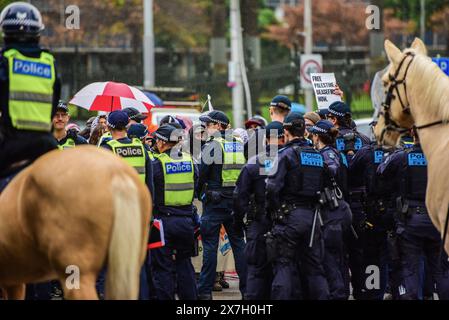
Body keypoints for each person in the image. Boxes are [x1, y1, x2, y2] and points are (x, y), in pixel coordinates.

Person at [377, 128, 449, 300]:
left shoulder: (401, 156)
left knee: (410, 268)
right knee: (441, 270)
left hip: (411, 221)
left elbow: (381, 171)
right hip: (437, 220)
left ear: (412, 133)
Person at [265, 112, 330, 300]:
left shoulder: (285, 155)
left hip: (289, 217)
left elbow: (271, 188)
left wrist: (275, 212)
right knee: (315, 268)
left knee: (283, 265)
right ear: (305, 130)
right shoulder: (317, 156)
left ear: (286, 130)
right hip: (313, 218)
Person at [0, 2, 61, 193]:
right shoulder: (50, 63)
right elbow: (53, 106)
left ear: (5, 33)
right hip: (46, 144)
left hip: (12, 144)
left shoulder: (4, 61)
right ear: (37, 33)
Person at [100, 111, 154, 299]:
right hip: (139, 211)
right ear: (127, 126)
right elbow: (150, 184)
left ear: (108, 127)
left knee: (112, 262)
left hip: (117, 212)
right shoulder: (141, 148)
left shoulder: (107, 149)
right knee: (137, 262)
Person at [197, 110, 247, 300]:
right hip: (234, 202)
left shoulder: (213, 145)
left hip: (215, 202)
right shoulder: (239, 144)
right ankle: (248, 291)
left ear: (218, 126)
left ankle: (204, 292)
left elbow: (202, 174)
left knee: (210, 248)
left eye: (208, 125)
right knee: (239, 245)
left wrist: (199, 192)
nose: (206, 128)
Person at [233, 121, 285, 300]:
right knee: (285, 268)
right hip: (286, 223)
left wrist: (238, 222)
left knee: (256, 270)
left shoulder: (254, 164)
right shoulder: (291, 159)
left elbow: (240, 197)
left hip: (260, 223)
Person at [150, 124, 198, 300]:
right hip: (186, 221)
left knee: (162, 268)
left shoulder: (157, 164)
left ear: (162, 142)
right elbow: (196, 186)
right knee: (185, 265)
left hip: (163, 223)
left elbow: (150, 191)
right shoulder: (190, 161)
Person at [308, 120, 353, 300]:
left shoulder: (328, 154)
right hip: (336, 212)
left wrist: (321, 168)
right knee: (337, 258)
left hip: (333, 213)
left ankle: (337, 295)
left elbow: (332, 170)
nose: (311, 136)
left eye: (312, 134)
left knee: (331, 259)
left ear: (317, 136)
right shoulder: (332, 152)